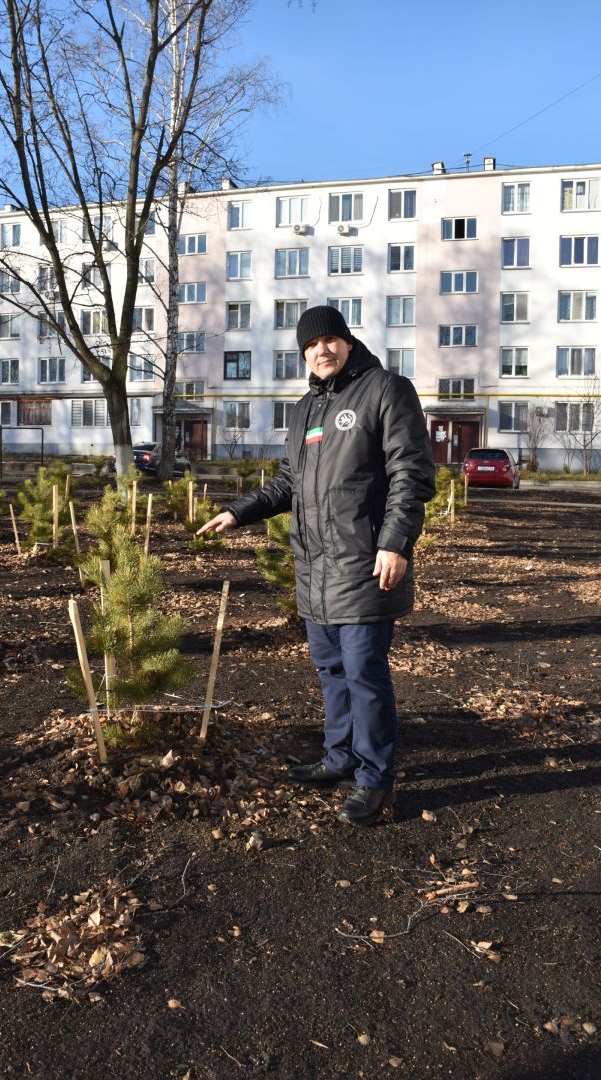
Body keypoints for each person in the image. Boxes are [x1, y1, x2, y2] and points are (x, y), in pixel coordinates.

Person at [198, 306, 435, 825]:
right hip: (315, 567)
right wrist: (238, 512)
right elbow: (290, 483)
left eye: (329, 340)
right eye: (310, 346)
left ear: (347, 343)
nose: (320, 351)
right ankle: (340, 757)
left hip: (365, 564)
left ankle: (376, 780)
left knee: (365, 674)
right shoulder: (305, 408)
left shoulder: (385, 389)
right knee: (331, 671)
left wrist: (395, 543)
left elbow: (410, 473)